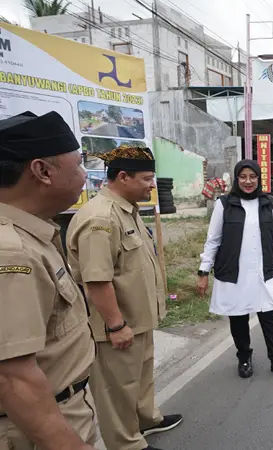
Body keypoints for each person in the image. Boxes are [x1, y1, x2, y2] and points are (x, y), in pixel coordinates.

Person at [66, 144, 182, 450]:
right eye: (146, 179)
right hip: (115, 326)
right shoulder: (100, 219)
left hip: (138, 318)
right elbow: (97, 280)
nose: (152, 185)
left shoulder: (126, 211)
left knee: (141, 379)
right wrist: (116, 326)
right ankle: (127, 444)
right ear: (123, 177)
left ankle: (147, 419)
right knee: (118, 389)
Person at [0, 111, 96, 450]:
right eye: (79, 164)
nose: (85, 175)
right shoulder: (12, 253)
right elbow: (13, 378)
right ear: (42, 171)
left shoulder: (34, 233)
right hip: (39, 429)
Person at [196, 160, 273, 380]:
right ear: (236, 179)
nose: (248, 181)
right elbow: (213, 240)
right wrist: (203, 272)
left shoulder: (268, 203)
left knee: (270, 316)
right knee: (239, 317)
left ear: (258, 179)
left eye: (252, 177)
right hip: (235, 272)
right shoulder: (224, 204)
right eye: (243, 177)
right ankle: (244, 357)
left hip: (263, 271)